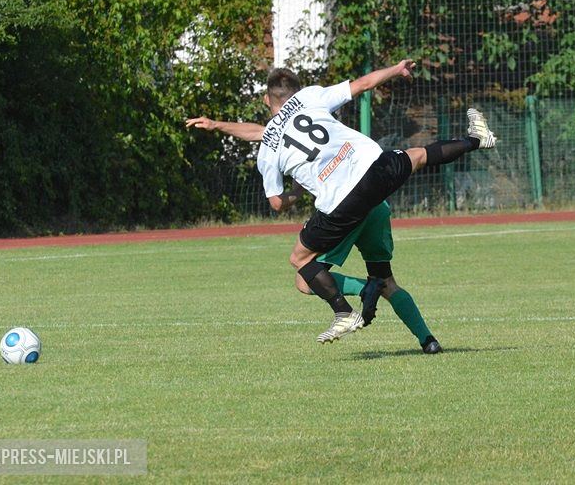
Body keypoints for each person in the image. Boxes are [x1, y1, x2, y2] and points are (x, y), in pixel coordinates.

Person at [187, 59, 497, 346]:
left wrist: (296, 192)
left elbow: (276, 202)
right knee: (419, 156)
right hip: (374, 174)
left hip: (343, 203)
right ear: (295, 91)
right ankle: (475, 140)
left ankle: (344, 309)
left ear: (267, 100)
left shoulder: (269, 149)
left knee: (301, 267)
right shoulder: (309, 97)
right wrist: (395, 68)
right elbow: (362, 84)